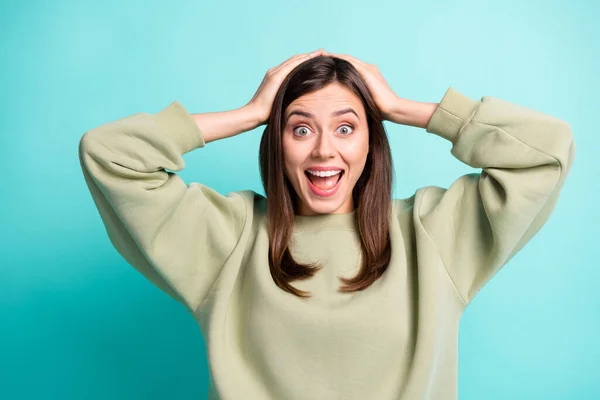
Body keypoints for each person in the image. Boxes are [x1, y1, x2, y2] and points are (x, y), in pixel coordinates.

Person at [78, 48, 576, 400]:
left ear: (370, 143)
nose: (323, 150)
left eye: (345, 127)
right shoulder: (229, 235)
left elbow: (547, 151)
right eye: (299, 128)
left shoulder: (432, 233)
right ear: (277, 142)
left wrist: (404, 108)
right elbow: (109, 154)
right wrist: (250, 113)